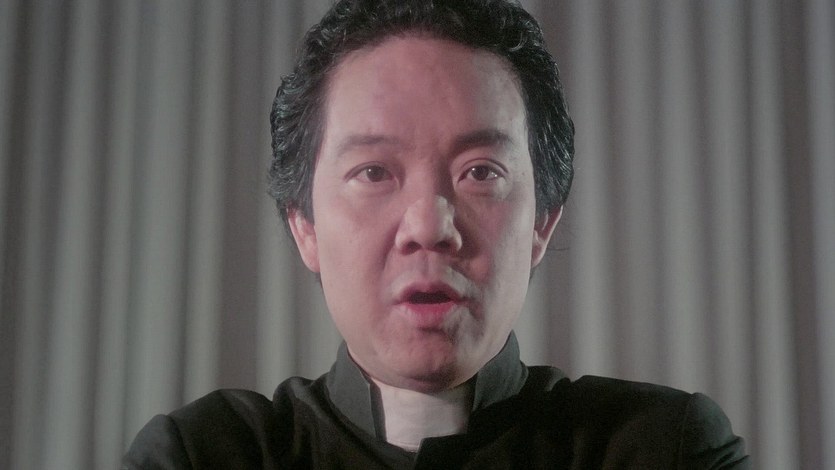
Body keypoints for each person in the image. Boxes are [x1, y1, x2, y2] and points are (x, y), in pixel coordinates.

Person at [123, 0, 750, 468]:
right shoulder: (202, 454)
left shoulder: (665, 448)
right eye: (373, 172)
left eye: (481, 172)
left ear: (541, 223)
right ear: (304, 226)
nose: (429, 227)